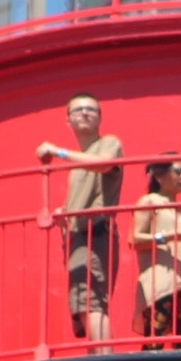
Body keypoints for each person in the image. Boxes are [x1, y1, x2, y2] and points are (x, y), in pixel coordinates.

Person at [35, 93, 125, 344]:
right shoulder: (78, 164)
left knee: (92, 301)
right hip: (80, 236)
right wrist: (66, 212)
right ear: (68, 120)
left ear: (100, 117)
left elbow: (105, 165)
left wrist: (58, 151)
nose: (84, 113)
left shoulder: (109, 143)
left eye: (91, 109)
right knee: (84, 303)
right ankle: (99, 360)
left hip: (94, 232)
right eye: (78, 110)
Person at [132, 154, 181, 347]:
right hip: (160, 285)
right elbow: (135, 239)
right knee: (154, 342)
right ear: (159, 176)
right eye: (178, 172)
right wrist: (171, 236)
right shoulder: (149, 202)